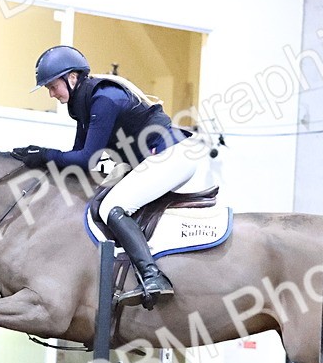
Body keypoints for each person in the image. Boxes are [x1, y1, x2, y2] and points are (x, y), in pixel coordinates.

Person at [13, 45, 209, 308]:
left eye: (52, 86)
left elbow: (85, 159)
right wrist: (40, 162)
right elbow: (79, 160)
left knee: (112, 207)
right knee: (100, 198)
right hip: (155, 159)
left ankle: (153, 276)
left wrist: (45, 154)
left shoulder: (103, 100)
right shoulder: (81, 105)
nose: (51, 93)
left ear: (72, 78)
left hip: (172, 155)